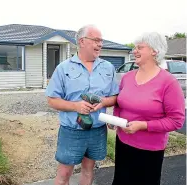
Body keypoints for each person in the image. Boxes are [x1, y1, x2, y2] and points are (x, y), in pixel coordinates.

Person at [45, 25, 119, 185]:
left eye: (101, 41)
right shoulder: (63, 68)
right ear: (82, 41)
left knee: (88, 170)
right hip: (72, 131)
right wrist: (76, 106)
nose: (100, 44)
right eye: (96, 40)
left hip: (97, 130)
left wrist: (103, 102)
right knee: (64, 173)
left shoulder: (108, 68)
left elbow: (114, 97)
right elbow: (51, 100)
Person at [110, 32, 185, 185]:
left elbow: (176, 121)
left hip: (149, 150)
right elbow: (119, 102)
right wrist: (115, 118)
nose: (134, 51)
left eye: (140, 47)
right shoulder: (127, 77)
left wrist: (143, 125)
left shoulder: (168, 82)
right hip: (123, 142)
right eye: (135, 47)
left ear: (154, 51)